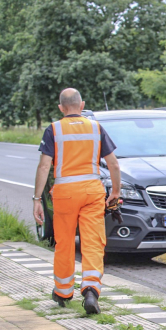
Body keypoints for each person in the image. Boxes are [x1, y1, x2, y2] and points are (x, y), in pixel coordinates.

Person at [33, 88, 121, 314]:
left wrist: (36, 199)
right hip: (92, 191)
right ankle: (91, 289)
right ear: (82, 105)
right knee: (93, 242)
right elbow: (113, 164)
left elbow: (44, 166)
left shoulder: (53, 130)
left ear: (61, 108)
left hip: (65, 193)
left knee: (64, 243)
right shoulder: (96, 128)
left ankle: (63, 291)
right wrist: (116, 193)